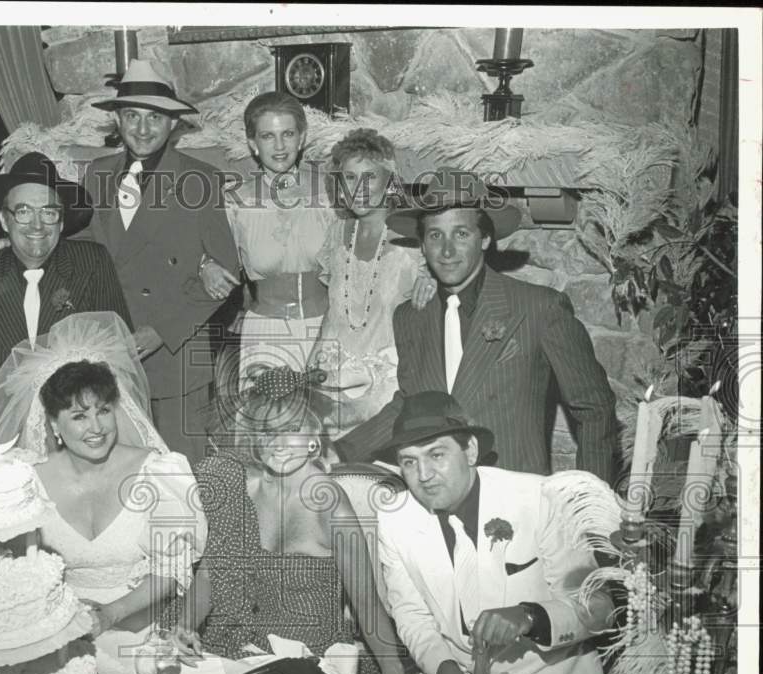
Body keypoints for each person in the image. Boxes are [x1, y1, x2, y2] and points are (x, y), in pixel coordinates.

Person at [0, 61, 240, 461]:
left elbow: (228, 272)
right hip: (109, 352)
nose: (143, 128)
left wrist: (161, 330)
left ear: (173, 124)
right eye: (133, 116)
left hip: (175, 354)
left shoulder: (200, 180)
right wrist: (11, 242)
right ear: (117, 118)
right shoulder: (95, 175)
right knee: (119, 475)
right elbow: (70, 242)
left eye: (155, 117)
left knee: (182, 478)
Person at [335, 170, 617, 482]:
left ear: (485, 238)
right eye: (435, 235)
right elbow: (409, 404)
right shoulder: (411, 317)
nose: (446, 251)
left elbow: (595, 408)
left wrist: (592, 504)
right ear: (423, 245)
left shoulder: (539, 308)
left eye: (461, 234)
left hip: (513, 497)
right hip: (435, 497)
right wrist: (341, 452)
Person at [373, 390, 613, 674]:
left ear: (469, 450)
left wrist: (530, 616)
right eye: (408, 462)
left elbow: (600, 609)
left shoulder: (541, 499)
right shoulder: (394, 518)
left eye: (436, 454)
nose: (423, 475)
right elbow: (411, 614)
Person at [0, 312, 206, 674]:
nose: (97, 427)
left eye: (104, 411)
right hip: (53, 643)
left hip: (141, 642)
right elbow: (12, 572)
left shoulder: (160, 474)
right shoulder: (26, 481)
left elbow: (171, 572)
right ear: (53, 424)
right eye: (79, 416)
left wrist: (110, 614)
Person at [169, 368, 409, 674]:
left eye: (292, 429)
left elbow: (366, 603)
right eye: (268, 431)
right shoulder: (244, 489)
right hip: (244, 653)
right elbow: (211, 571)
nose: (279, 445)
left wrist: (393, 672)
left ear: (314, 431)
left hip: (314, 663)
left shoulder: (331, 506)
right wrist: (187, 623)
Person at [0, 152, 132, 450]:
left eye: (48, 213)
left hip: (79, 437)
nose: (37, 225)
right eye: (23, 211)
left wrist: (118, 439)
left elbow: (118, 359)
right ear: (4, 221)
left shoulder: (91, 263)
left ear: (61, 222)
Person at [199, 92, 335, 396]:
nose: (279, 146)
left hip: (325, 328)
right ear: (252, 144)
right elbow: (197, 247)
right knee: (269, 427)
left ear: (301, 139)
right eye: (267, 136)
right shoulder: (237, 201)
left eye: (288, 134)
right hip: (265, 333)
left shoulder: (329, 193)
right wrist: (205, 264)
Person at [307, 129, 436, 438]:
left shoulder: (415, 238)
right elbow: (333, 312)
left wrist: (432, 283)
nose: (359, 188)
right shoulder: (336, 234)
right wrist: (308, 373)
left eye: (370, 176)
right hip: (329, 379)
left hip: (386, 387)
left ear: (389, 181)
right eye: (350, 178)